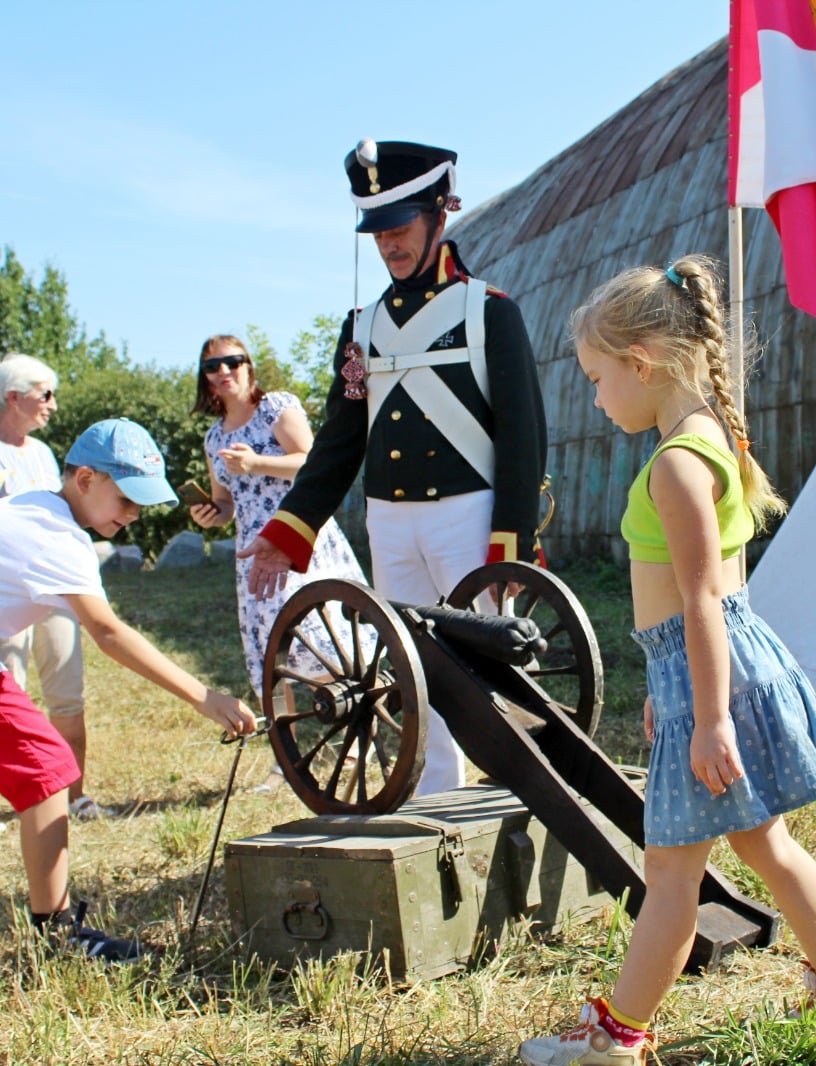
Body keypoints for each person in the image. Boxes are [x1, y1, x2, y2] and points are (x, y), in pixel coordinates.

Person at [517, 257, 816, 1065]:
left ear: (640, 365)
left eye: (596, 377)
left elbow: (703, 602)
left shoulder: (678, 463)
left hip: (711, 676)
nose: (595, 396)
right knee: (766, 847)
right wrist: (673, 691)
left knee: (671, 877)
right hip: (702, 672)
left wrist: (708, 714)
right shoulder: (708, 435)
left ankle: (615, 1039)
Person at [0, 418, 258, 962]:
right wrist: (205, 696)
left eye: (141, 505)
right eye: (126, 499)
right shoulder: (57, 536)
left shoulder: (29, 504)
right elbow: (107, 632)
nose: (132, 515)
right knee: (49, 767)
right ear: (85, 479)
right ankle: (56, 934)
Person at [240, 139, 547, 796]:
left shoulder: (489, 310)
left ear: (443, 211)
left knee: (487, 664)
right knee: (413, 667)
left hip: (468, 511)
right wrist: (288, 531)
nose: (388, 244)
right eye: (376, 231)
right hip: (390, 520)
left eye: (400, 225)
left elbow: (524, 437)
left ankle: (515, 791)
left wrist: (512, 541)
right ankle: (437, 796)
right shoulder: (362, 327)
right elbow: (339, 442)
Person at [187, 334, 369, 793]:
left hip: (297, 532)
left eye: (233, 361)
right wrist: (211, 513)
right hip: (252, 548)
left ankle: (353, 738)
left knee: (326, 640)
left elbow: (312, 462)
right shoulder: (215, 438)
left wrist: (256, 464)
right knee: (272, 653)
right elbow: (227, 502)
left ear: (249, 366)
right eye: (213, 366)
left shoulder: (276, 408)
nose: (224, 371)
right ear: (205, 379)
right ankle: (285, 758)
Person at [0, 352, 111, 826]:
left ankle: (76, 797)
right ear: (13, 397)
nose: (53, 404)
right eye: (45, 394)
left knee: (67, 695)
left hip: (54, 593)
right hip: (4, 599)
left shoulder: (41, 454)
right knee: (1, 696)